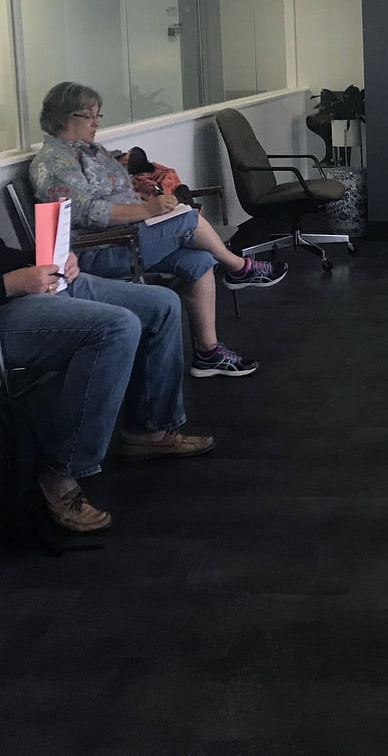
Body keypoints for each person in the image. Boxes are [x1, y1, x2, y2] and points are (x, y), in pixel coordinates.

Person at [29, 81, 287, 379]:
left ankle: (208, 353)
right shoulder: (54, 163)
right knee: (188, 220)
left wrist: (150, 202)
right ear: (63, 116)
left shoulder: (93, 151)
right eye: (88, 116)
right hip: (96, 250)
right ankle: (239, 267)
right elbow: (85, 212)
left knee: (199, 260)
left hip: (129, 235)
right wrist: (147, 211)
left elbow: (120, 193)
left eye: (97, 115)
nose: (96, 123)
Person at [0, 240, 214, 532]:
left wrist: (49, 261)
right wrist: (10, 284)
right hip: (7, 303)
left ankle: (149, 430)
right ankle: (59, 470)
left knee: (162, 304)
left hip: (27, 287)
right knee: (117, 327)